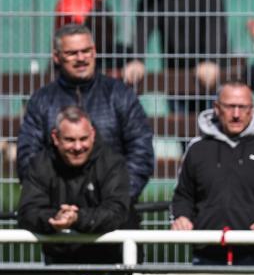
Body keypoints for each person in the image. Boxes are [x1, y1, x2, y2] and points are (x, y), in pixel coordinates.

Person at [16, 24, 154, 219]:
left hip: (114, 218)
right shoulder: (42, 101)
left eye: (86, 51)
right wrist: (59, 212)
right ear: (56, 57)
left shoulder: (120, 95)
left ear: (94, 51)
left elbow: (141, 152)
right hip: (57, 218)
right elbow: (28, 158)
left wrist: (115, 202)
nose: (81, 58)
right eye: (72, 53)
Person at [170, 81, 254, 265]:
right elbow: (183, 196)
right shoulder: (197, 148)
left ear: (252, 110)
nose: (236, 114)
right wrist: (182, 217)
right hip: (205, 257)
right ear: (217, 108)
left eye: (243, 107)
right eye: (230, 107)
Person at [18, 106, 130, 264]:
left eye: (83, 139)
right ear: (55, 138)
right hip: (58, 262)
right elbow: (28, 212)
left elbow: (116, 211)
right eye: (70, 140)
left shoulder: (113, 163)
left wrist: (77, 218)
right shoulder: (40, 165)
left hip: (109, 261)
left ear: (93, 134)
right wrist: (54, 218)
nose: (77, 147)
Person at [123, 0, 227, 114]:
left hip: (207, 70)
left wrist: (211, 60)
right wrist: (136, 59)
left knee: (210, 119)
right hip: (175, 68)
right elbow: (144, 24)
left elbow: (215, 23)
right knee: (180, 121)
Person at [54, 0, 130, 73]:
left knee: (126, 52)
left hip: (95, 51)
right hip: (73, 53)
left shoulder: (98, 3)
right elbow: (80, 22)